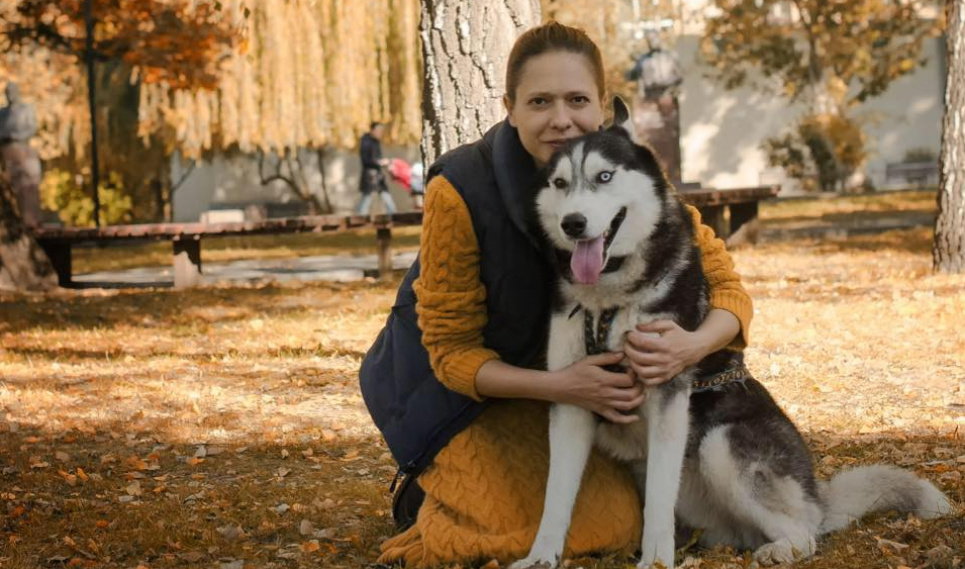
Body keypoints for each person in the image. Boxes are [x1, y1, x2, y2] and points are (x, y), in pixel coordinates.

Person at [359, 21, 752, 568]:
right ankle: (434, 490)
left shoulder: (627, 165)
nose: (561, 119)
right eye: (540, 101)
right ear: (510, 107)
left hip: (577, 393)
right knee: (515, 531)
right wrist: (562, 385)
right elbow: (449, 355)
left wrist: (692, 345)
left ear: (601, 106)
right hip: (466, 396)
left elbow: (727, 286)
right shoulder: (461, 188)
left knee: (619, 523)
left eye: (577, 99)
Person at [355, 121, 398, 215]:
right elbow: (366, 160)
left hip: (377, 173)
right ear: (373, 130)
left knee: (384, 193)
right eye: (379, 130)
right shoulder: (366, 141)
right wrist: (379, 162)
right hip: (369, 174)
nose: (380, 133)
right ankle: (359, 216)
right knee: (367, 196)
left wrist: (382, 163)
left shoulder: (376, 142)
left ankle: (394, 214)